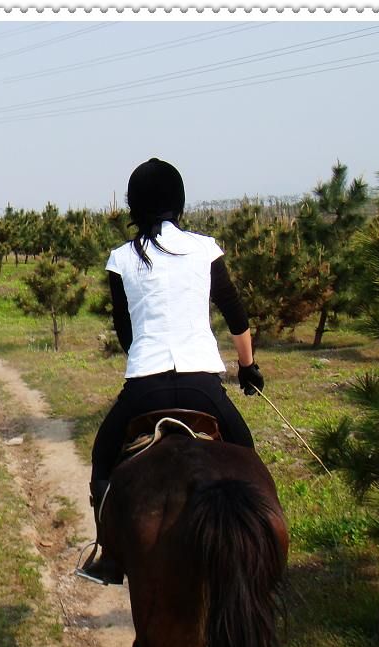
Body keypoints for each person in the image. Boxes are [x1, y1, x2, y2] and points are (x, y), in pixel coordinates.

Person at [77, 158, 265, 585]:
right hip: (203, 388)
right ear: (179, 202)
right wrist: (248, 367)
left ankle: (107, 552)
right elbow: (235, 315)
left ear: (134, 205)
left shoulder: (121, 258)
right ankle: (258, 541)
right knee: (246, 453)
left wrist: (148, 357)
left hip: (144, 388)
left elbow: (126, 333)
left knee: (104, 454)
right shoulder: (205, 249)